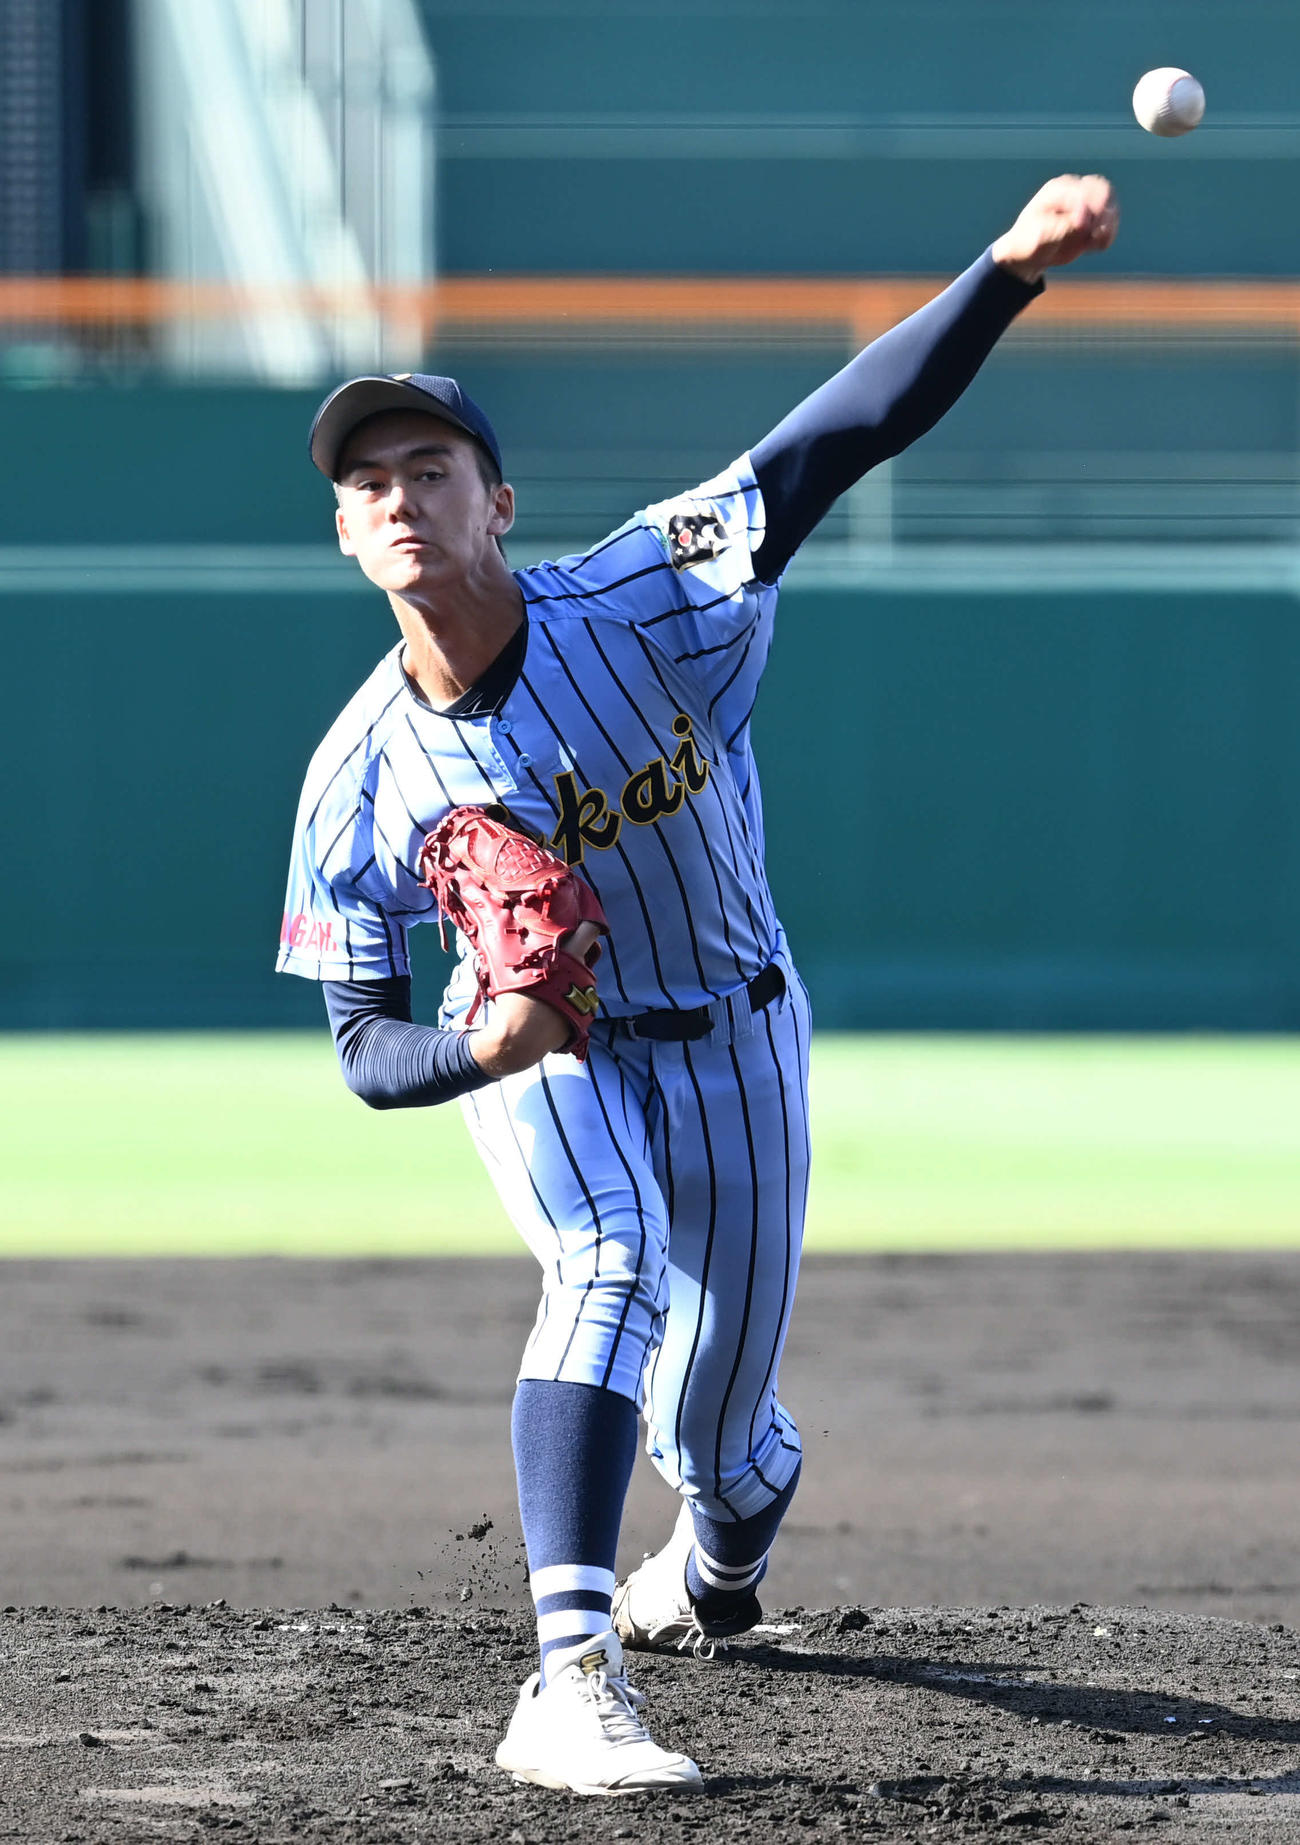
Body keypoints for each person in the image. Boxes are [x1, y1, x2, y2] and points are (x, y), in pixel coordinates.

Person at [277, 174, 1118, 1796]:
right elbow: (361, 1040)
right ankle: (569, 1676)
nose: (397, 499)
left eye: (428, 470)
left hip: (740, 1030)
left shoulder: (654, 590)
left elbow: (833, 438)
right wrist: (478, 1035)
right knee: (608, 1262)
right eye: (366, 482)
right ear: (342, 530)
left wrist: (1006, 271)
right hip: (555, 1059)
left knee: (725, 1446)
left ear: (498, 504)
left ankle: (709, 1578)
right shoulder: (355, 778)